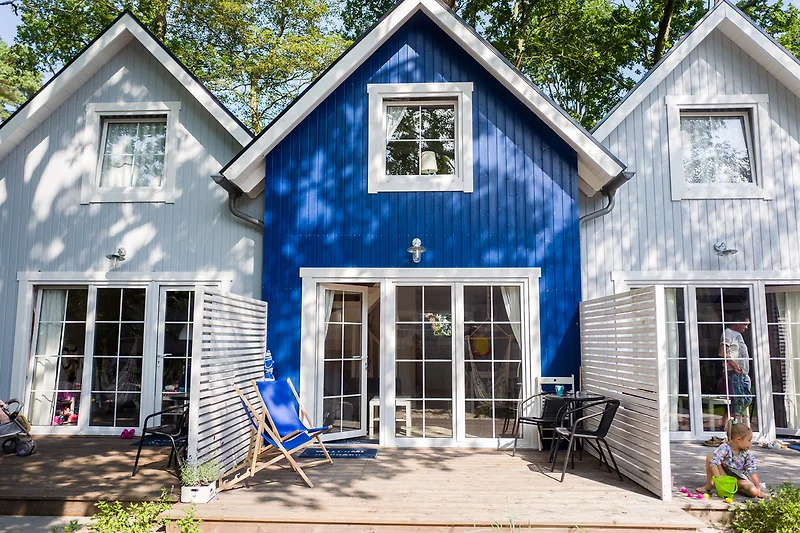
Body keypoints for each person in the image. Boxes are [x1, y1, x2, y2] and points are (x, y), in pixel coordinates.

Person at [696, 420, 767, 498]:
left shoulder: (747, 454)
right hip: (724, 475)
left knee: (753, 492)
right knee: (710, 456)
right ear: (738, 439)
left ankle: (733, 487)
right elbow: (714, 462)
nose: (750, 443)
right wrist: (720, 480)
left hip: (738, 479)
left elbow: (752, 471)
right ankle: (710, 485)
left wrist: (758, 488)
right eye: (749, 440)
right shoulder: (725, 448)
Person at [719, 315, 752, 426]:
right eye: (745, 324)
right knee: (737, 403)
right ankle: (735, 430)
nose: (746, 327)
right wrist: (735, 367)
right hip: (734, 373)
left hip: (742, 374)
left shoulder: (738, 335)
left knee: (744, 400)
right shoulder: (728, 333)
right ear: (737, 322)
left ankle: (734, 428)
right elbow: (722, 352)